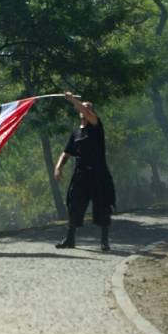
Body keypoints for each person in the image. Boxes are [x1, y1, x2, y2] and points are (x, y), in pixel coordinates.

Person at [53, 92, 115, 251]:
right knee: (74, 205)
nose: (86, 109)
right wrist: (58, 167)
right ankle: (70, 239)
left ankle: (104, 241)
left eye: (89, 108)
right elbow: (66, 152)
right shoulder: (76, 133)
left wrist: (73, 99)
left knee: (102, 206)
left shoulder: (96, 126)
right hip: (81, 174)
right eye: (84, 107)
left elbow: (88, 113)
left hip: (98, 173)